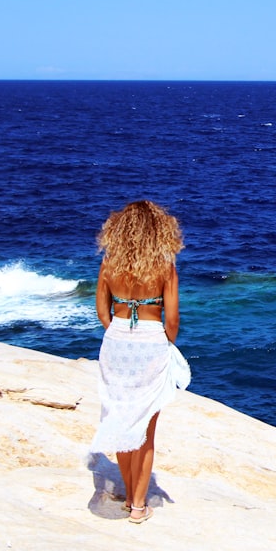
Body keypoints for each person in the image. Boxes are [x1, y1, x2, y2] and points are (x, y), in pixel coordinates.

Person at [91, 200, 186, 523]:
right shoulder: (165, 266)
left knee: (120, 419)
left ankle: (129, 494)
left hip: (116, 340)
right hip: (150, 341)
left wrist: (118, 332)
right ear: (159, 230)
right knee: (146, 426)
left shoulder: (109, 263)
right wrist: (165, 344)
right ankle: (138, 505)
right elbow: (171, 319)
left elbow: (102, 311)